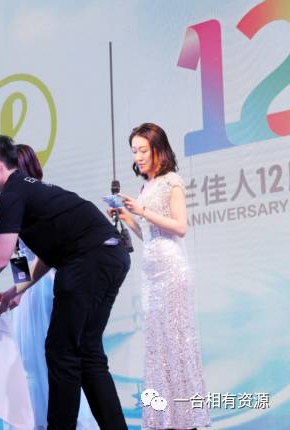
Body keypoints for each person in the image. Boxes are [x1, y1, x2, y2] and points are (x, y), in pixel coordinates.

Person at [0, 134, 130, 430]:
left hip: (80, 268)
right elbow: (41, 253)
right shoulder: (36, 193)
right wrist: (15, 291)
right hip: (107, 257)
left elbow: (0, 256)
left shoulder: (12, 195)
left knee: (61, 352)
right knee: (87, 353)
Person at [111, 123, 210, 430]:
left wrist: (142, 211)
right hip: (152, 274)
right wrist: (127, 217)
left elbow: (180, 227)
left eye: (143, 150)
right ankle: (166, 419)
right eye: (134, 151)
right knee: (158, 348)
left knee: (178, 343)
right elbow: (149, 235)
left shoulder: (171, 182)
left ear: (158, 149)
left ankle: (188, 420)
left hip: (173, 271)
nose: (138, 157)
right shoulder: (147, 187)